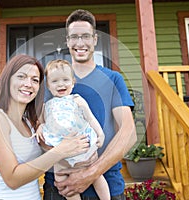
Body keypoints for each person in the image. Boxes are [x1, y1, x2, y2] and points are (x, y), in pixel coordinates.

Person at [43, 9, 137, 200]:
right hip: (62, 187)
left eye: (85, 36)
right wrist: (66, 160)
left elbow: (129, 133)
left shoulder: (113, 79)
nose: (79, 43)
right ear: (67, 41)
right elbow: (41, 133)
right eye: (74, 37)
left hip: (107, 183)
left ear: (95, 39)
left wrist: (90, 172)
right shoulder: (52, 82)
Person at [0, 54, 90, 200]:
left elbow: (54, 152)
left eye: (35, 80)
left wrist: (82, 155)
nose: (28, 84)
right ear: (8, 80)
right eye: (21, 77)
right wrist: (60, 151)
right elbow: (13, 179)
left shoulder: (31, 124)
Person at [36, 59, 110, 200]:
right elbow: (42, 123)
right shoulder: (47, 106)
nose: (61, 84)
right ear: (48, 85)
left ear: (73, 82)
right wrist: (40, 127)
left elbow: (91, 118)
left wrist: (100, 134)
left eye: (65, 79)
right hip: (61, 152)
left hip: (83, 148)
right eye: (55, 81)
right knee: (60, 179)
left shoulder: (77, 100)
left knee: (95, 175)